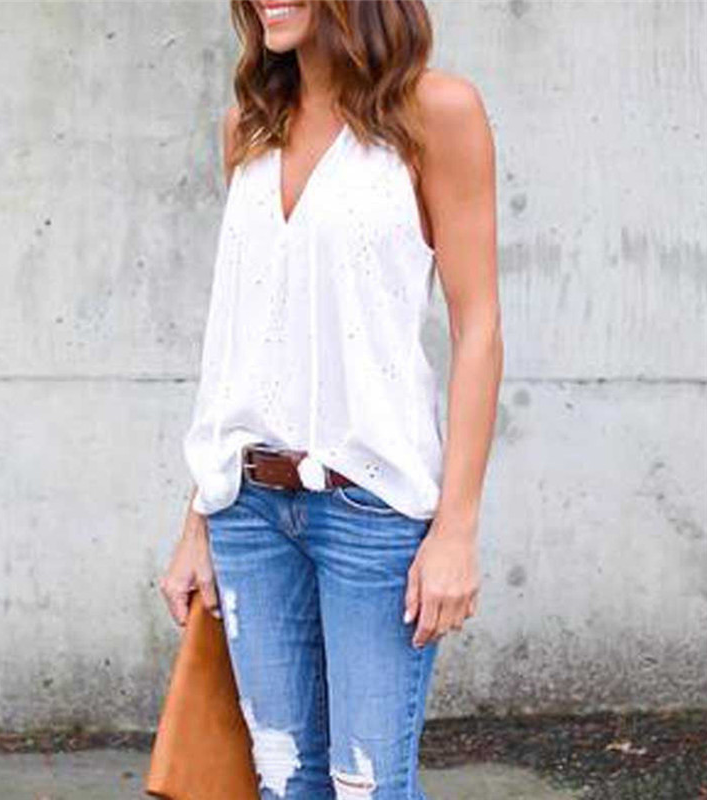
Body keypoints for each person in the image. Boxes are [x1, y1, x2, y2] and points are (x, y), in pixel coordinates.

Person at [159, 1, 501, 797]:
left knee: (368, 787)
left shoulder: (437, 112)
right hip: (247, 513)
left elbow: (479, 327)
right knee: (283, 783)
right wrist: (197, 520)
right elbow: (241, 349)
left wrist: (456, 529)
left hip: (372, 512)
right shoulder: (248, 127)